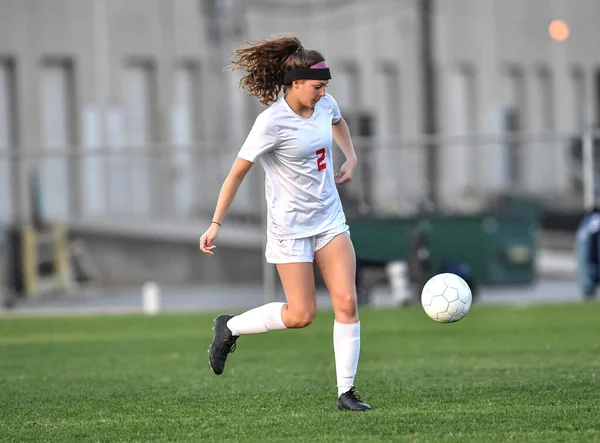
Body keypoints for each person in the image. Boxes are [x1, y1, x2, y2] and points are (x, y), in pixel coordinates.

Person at [199, 35, 370, 411]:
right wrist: (215, 223)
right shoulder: (271, 123)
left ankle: (346, 392)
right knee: (300, 315)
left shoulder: (326, 104)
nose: (324, 93)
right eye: (317, 86)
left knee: (346, 301)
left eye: (325, 87)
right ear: (295, 84)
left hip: (329, 220)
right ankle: (230, 327)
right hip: (289, 229)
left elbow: (338, 122)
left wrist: (351, 158)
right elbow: (236, 174)